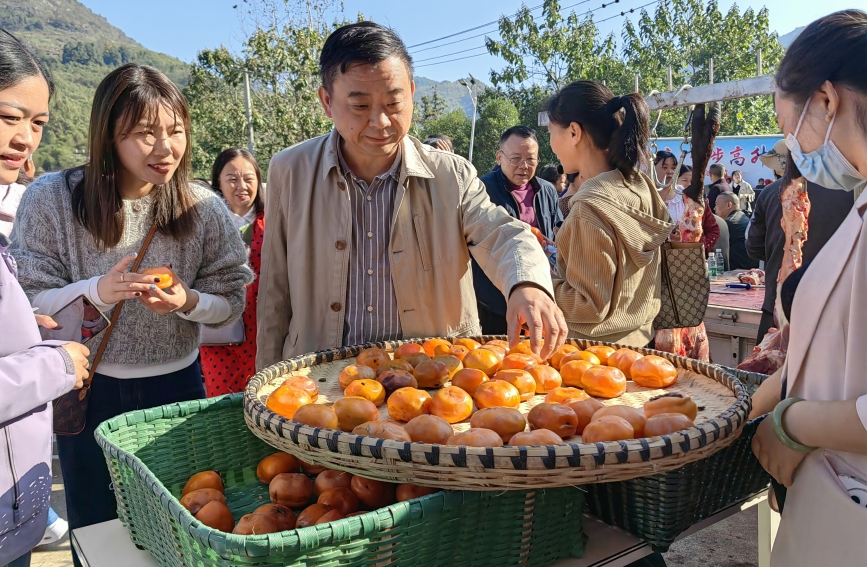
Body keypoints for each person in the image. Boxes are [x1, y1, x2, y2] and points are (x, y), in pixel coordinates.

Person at [9, 63, 253, 566]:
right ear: (108, 135)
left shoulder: (202, 209)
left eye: (176, 131)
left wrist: (187, 301)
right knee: (99, 531)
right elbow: (26, 298)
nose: (165, 149)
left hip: (177, 392)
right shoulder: (53, 199)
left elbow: (231, 301)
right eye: (145, 134)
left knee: (181, 524)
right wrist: (96, 289)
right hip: (88, 391)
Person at [257, 22, 567, 367]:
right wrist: (264, 386)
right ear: (327, 101)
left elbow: (503, 234)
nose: (381, 121)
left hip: (431, 382)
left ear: (412, 93)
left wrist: (528, 283)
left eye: (393, 102)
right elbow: (275, 291)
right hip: (320, 379)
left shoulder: (451, 175)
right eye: (360, 106)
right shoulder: (290, 171)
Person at [748, 10, 867, 566]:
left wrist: (789, 426)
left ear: (825, 99)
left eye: (789, 125)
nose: (793, 147)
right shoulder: (860, 207)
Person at [0, 29, 89, 567]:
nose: (24, 139)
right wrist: (55, 365)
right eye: (9, 117)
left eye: (37, 124)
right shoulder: (44, 201)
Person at [544, 80, 673, 347]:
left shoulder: (590, 209)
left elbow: (588, 305)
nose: (551, 144)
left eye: (550, 132)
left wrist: (541, 275)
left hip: (592, 357)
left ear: (574, 132)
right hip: (639, 345)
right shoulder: (639, 185)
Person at [472, 126, 563, 334]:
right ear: (499, 157)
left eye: (531, 159)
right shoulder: (481, 190)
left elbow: (558, 228)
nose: (523, 166)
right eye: (515, 158)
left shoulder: (546, 189)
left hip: (538, 287)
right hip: (494, 294)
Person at [746, 168, 852, 344]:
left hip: (777, 305)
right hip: (833, 312)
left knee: (769, 366)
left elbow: (754, 248)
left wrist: (776, 257)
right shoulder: (852, 191)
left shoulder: (771, 191)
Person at [199, 148, 265, 396]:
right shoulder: (204, 224)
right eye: (232, 179)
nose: (242, 186)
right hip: (220, 331)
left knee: (265, 400)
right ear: (218, 182)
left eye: (249, 178)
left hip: (266, 330)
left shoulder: (275, 221)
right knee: (222, 400)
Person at [659, 164, 720, 255]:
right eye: (684, 180)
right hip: (663, 256)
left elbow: (713, 230)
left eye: (692, 182)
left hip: (693, 258)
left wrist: (702, 249)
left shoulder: (699, 202)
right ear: (675, 180)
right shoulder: (662, 201)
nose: (689, 185)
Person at [714, 192, 758, 270]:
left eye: (717, 204)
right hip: (752, 265)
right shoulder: (744, 217)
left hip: (736, 267)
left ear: (729, 205)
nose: (714, 208)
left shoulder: (728, 223)